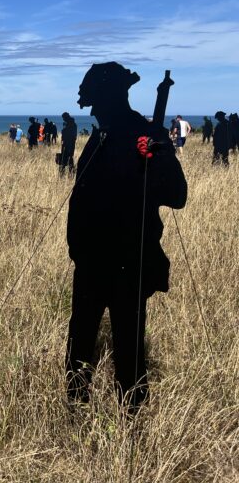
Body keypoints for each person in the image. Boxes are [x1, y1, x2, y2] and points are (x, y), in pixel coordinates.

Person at [66, 62, 187, 412]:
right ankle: (75, 412)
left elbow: (177, 196)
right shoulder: (101, 137)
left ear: (112, 98)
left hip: (129, 262)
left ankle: (132, 422)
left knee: (129, 348)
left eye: (96, 104)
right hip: (90, 263)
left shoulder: (146, 135)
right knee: (80, 343)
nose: (94, 112)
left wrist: (161, 156)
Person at [59, 112, 77, 177]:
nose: (63, 119)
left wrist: (64, 131)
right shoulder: (70, 124)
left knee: (66, 158)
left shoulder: (71, 125)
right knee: (69, 158)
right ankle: (70, 172)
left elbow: (71, 135)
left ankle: (66, 173)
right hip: (69, 143)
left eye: (63, 118)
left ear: (66, 117)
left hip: (68, 144)